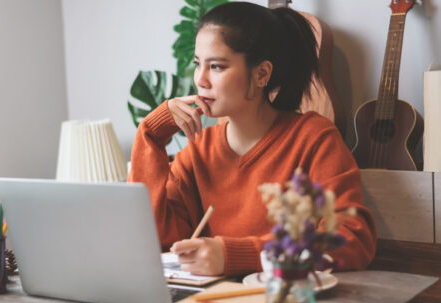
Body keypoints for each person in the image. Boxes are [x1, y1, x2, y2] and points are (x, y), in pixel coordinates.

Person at [128, 2, 376, 276]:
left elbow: (351, 238)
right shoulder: (199, 149)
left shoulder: (314, 139)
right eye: (198, 64)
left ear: (261, 74)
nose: (201, 80)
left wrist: (236, 255)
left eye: (217, 67)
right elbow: (157, 239)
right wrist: (151, 134)